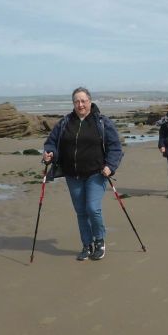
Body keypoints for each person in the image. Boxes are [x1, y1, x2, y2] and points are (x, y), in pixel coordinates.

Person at [43, 87, 123, 261]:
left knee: (93, 209)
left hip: (96, 173)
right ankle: (87, 245)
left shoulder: (101, 122)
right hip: (73, 175)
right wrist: (49, 154)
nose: (80, 104)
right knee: (81, 211)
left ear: (90, 101)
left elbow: (115, 147)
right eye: (76, 101)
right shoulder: (65, 123)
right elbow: (52, 143)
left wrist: (110, 166)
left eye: (83, 101)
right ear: (73, 103)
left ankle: (100, 241)